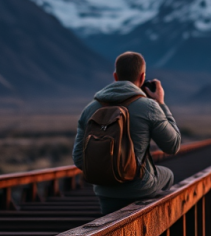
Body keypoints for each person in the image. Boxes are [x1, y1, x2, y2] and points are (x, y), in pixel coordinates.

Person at [73, 51, 181, 214]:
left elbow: (79, 159)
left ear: (115, 76)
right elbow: (173, 146)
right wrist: (161, 104)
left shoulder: (90, 109)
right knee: (168, 175)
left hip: (104, 193)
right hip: (140, 188)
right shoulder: (148, 107)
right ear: (142, 77)